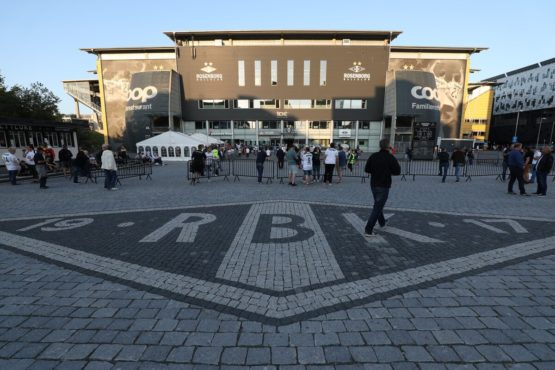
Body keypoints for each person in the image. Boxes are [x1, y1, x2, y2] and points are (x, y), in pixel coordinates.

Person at [364, 139, 401, 237]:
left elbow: (367, 169)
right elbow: (397, 171)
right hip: (384, 185)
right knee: (377, 207)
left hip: (374, 184)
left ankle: (382, 222)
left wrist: (376, 171)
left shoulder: (373, 156)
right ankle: (368, 229)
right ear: (388, 146)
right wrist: (387, 171)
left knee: (378, 204)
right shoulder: (390, 157)